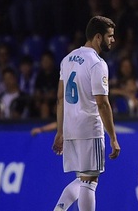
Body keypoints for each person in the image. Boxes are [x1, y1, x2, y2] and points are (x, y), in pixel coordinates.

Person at [52, 16, 121, 211]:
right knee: (90, 182)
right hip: (89, 127)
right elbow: (102, 104)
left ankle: (59, 209)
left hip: (70, 128)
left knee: (83, 179)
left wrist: (60, 131)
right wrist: (113, 138)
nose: (112, 40)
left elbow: (59, 98)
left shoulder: (67, 59)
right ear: (98, 37)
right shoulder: (97, 63)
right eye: (110, 36)